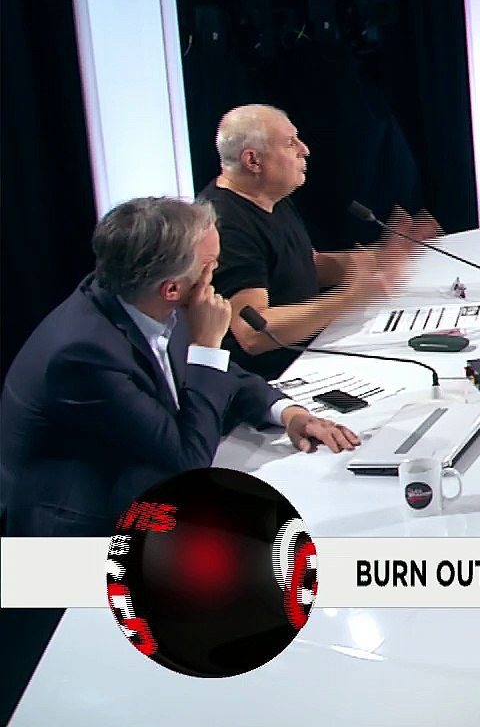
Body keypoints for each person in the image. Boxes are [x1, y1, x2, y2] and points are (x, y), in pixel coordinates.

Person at [0, 197, 359, 536]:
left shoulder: (143, 299)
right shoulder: (83, 355)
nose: (217, 273)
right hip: (84, 530)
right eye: (211, 265)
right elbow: (187, 462)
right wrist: (207, 344)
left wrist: (289, 413)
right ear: (171, 289)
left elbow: (226, 376)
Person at [201, 104, 425, 379]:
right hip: (275, 379)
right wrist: (350, 298)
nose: (304, 149)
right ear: (253, 161)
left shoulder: (270, 198)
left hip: (314, 349)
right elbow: (253, 333)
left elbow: (306, 265)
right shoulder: (226, 225)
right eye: (290, 143)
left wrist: (382, 257)